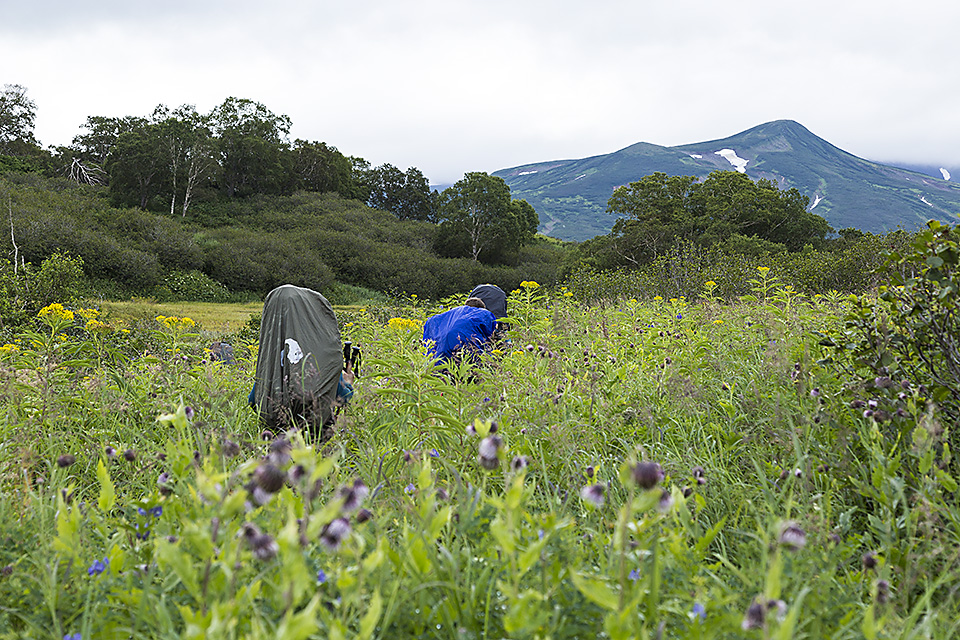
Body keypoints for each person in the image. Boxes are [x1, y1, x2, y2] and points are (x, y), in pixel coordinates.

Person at [249, 285, 354, 442]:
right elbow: (342, 398)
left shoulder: (272, 362)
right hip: (312, 446)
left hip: (274, 446)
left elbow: (253, 400)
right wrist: (348, 384)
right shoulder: (320, 361)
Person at [422, 297, 497, 367]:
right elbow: (489, 330)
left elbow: (431, 322)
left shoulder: (453, 313)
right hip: (463, 345)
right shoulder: (482, 313)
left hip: (439, 351)